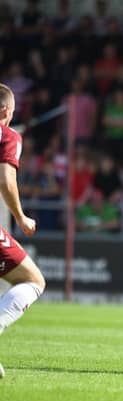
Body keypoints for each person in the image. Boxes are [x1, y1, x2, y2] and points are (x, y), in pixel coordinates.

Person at [0, 83, 46, 378]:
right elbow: (6, 181)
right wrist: (20, 216)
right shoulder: (8, 136)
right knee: (33, 280)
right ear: (6, 111)